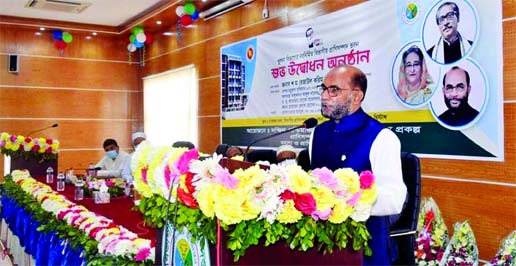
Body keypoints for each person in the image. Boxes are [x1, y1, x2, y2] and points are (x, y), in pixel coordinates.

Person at [310, 65, 407, 265]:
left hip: (364, 248)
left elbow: (395, 199)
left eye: (334, 90)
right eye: (324, 88)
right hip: (321, 245)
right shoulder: (316, 134)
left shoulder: (382, 137)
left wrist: (349, 200)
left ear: (356, 96)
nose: (325, 96)